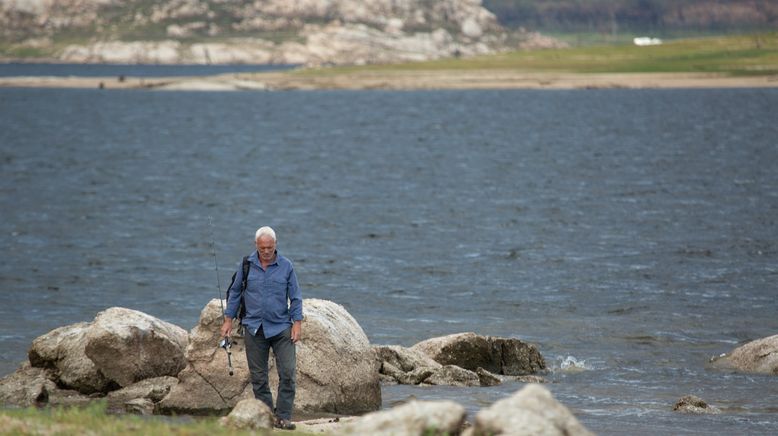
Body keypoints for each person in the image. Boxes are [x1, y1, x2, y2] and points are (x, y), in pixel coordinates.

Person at [220, 226, 303, 430]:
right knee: (258, 378)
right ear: (256, 245)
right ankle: (267, 418)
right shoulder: (246, 265)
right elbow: (236, 291)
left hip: (281, 327)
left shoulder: (286, 266)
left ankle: (283, 417)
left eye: (270, 247)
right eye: (262, 247)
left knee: (288, 374)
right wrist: (228, 320)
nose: (266, 251)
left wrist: (297, 324)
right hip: (254, 328)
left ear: (275, 245)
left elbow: (295, 297)